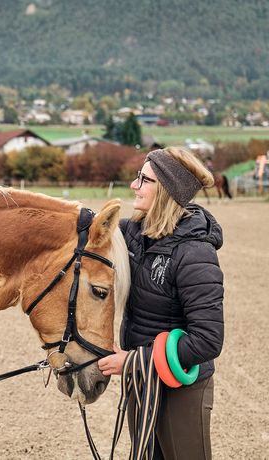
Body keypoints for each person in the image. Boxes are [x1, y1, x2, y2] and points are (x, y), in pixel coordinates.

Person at [98, 147, 224, 459]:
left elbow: (208, 340)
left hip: (181, 388)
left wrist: (132, 361)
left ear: (166, 190)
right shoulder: (132, 233)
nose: (134, 185)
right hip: (141, 382)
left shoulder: (195, 252)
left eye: (144, 179)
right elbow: (77, 226)